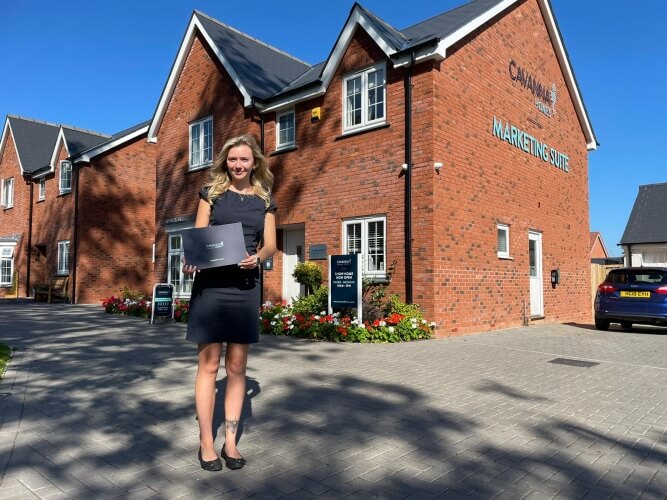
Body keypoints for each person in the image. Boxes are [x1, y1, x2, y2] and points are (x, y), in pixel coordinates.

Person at [182, 134, 277, 472]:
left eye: (244, 160)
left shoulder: (265, 200)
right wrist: (191, 258)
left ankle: (231, 443)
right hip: (210, 288)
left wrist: (258, 257)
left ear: (255, 163)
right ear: (226, 162)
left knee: (236, 369)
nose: (238, 165)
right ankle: (206, 443)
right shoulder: (212, 195)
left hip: (245, 287)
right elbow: (198, 237)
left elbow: (270, 245)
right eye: (233, 160)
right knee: (208, 367)